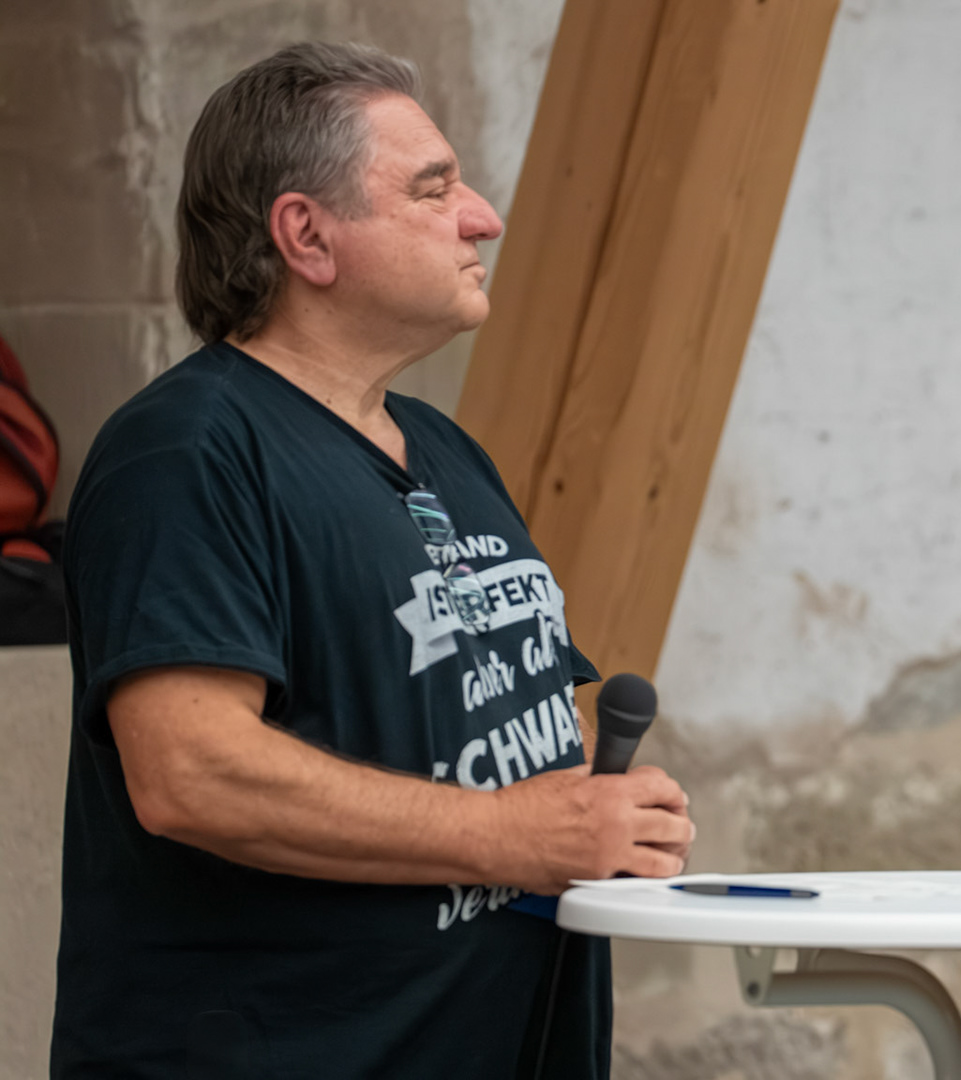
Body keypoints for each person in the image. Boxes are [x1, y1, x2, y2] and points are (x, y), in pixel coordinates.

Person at [52, 43, 693, 1078]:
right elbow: (190, 774)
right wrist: (509, 835)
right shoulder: (187, 452)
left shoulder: (442, 447)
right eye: (433, 189)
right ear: (306, 235)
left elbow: (514, 719)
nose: (481, 216)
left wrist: (606, 818)